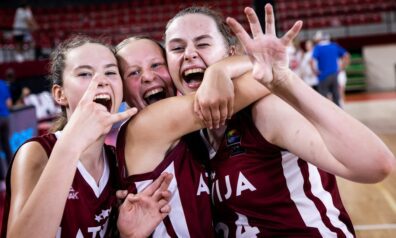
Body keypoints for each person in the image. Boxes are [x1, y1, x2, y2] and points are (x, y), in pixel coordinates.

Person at [164, 4, 395, 237]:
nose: (189, 54)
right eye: (176, 48)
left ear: (230, 53)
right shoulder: (186, 135)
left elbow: (376, 165)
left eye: (203, 43)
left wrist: (284, 81)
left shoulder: (265, 110)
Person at [1, 35, 173, 238]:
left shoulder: (117, 159)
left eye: (110, 72)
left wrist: (128, 235)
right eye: (84, 74)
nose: (101, 81)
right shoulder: (37, 152)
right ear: (59, 94)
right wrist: (73, 143)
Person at [115, 35, 269, 237]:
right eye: (133, 72)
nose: (148, 77)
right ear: (122, 90)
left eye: (156, 65)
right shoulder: (147, 124)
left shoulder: (193, 135)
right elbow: (267, 77)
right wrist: (219, 70)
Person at [310, 30, 350, 106]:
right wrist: (342, 68)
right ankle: (339, 115)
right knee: (336, 98)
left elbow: (311, 61)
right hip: (334, 75)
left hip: (323, 76)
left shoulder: (318, 48)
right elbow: (346, 55)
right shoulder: (334, 46)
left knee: (324, 99)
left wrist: (315, 71)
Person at [0, 74, 12, 190]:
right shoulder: (3, 83)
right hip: (6, 118)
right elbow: (9, 103)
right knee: (7, 147)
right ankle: (13, 174)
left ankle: (2, 180)